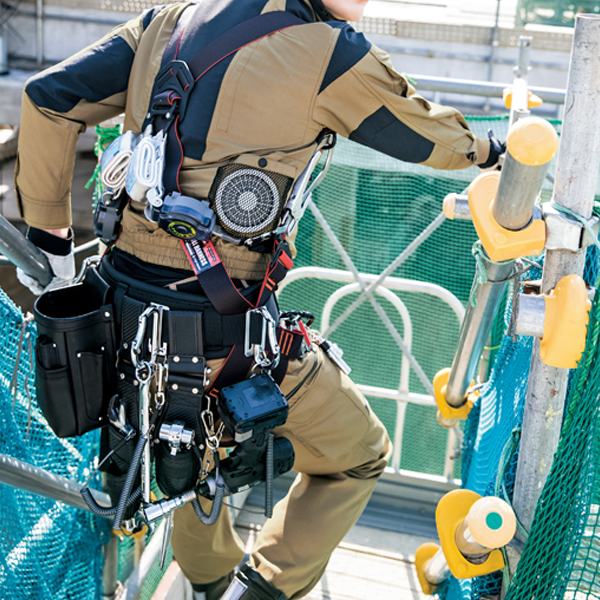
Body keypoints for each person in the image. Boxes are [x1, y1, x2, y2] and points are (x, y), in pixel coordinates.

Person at [14, 0, 503, 598]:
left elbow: (47, 97)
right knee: (361, 452)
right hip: (226, 335)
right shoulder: (329, 50)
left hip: (119, 322)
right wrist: (496, 151)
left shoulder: (168, 21)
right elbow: (430, 138)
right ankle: (265, 587)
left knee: (191, 454)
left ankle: (210, 583)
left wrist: (55, 249)